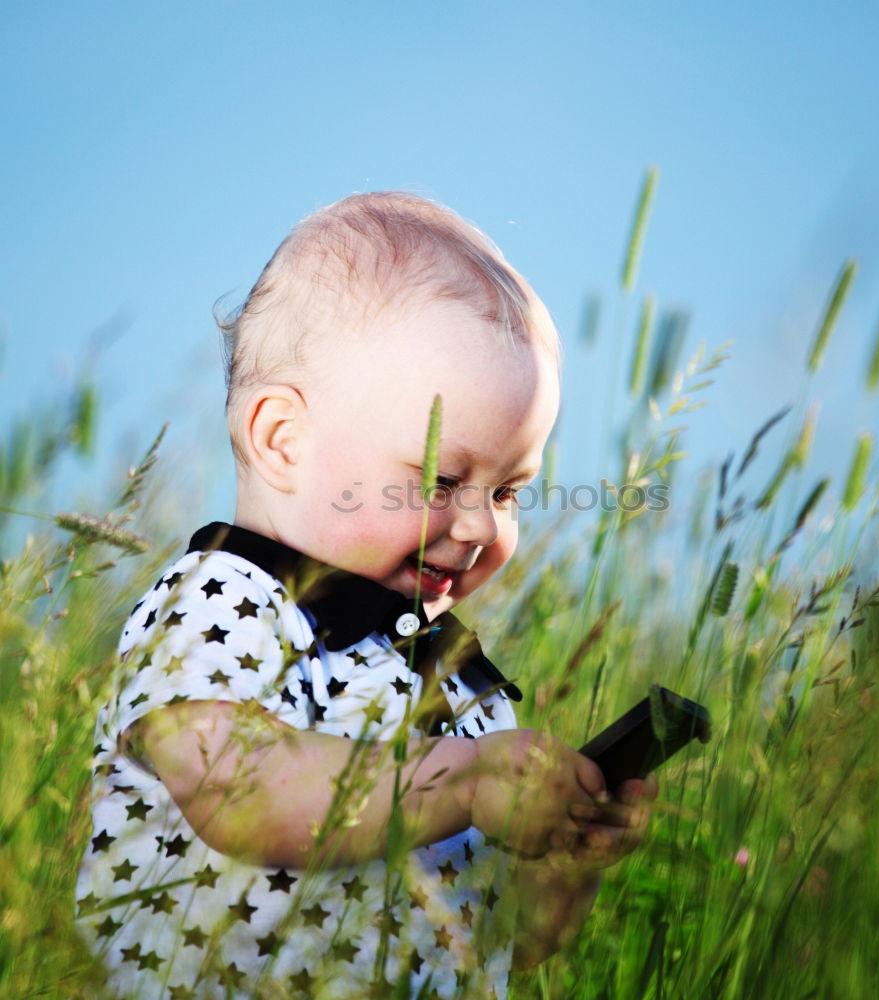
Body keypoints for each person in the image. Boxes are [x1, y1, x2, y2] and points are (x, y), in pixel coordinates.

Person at [76, 192, 656, 999]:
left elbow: (504, 942)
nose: (481, 524)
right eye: (445, 479)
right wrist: (465, 782)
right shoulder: (218, 602)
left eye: (511, 491)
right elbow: (241, 794)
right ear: (283, 440)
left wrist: (564, 862)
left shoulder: (461, 690)